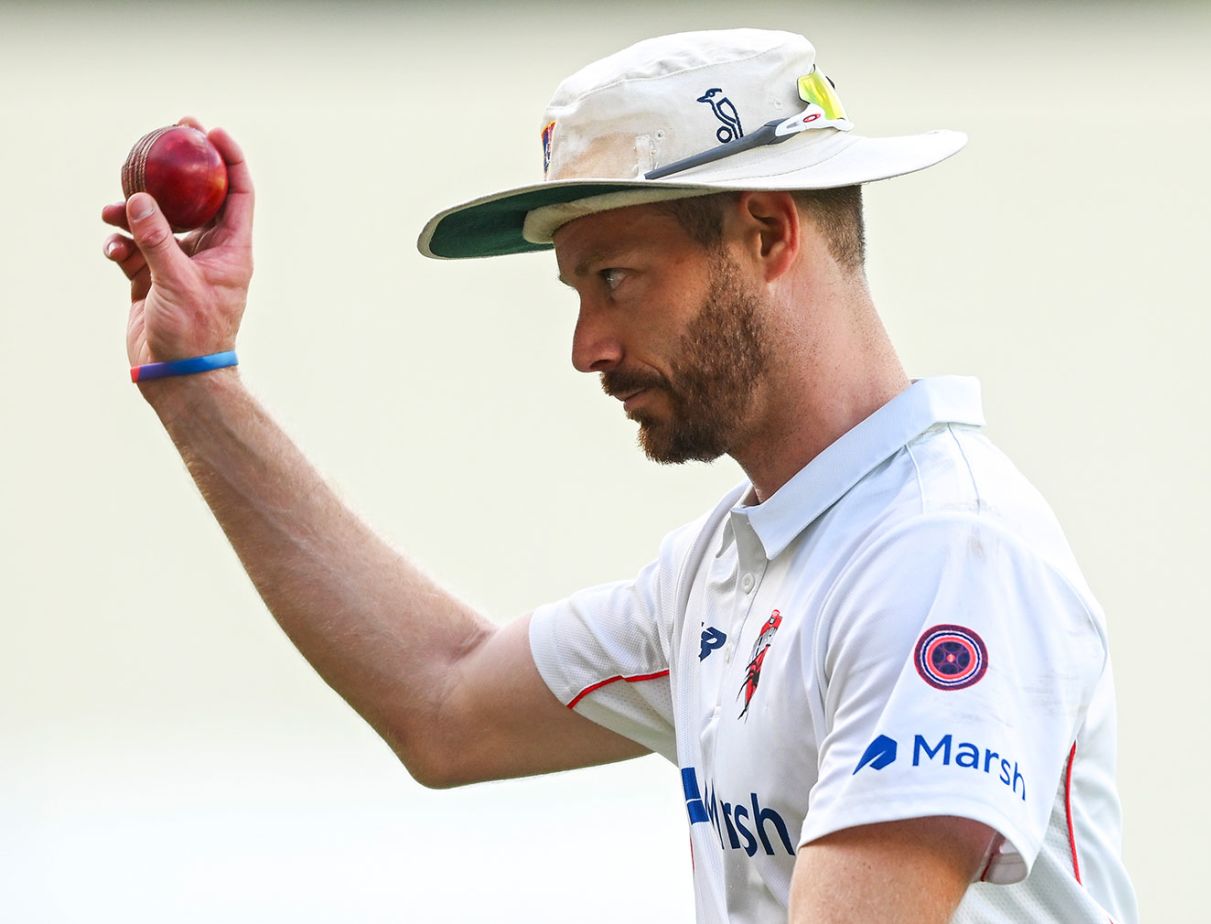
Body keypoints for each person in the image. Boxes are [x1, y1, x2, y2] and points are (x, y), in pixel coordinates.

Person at [101, 28, 1137, 924]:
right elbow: (445, 699)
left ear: (767, 231)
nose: (586, 345)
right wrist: (196, 379)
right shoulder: (731, 564)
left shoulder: (938, 551)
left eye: (614, 278)